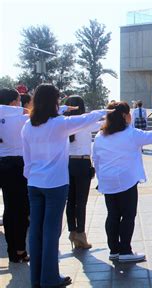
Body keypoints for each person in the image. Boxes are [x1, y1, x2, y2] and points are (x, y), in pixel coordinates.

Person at [21, 83, 107, 287]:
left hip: (34, 183)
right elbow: (86, 119)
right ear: (53, 101)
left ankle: (36, 277)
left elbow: (27, 158)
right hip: (55, 184)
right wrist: (104, 111)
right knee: (51, 230)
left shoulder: (28, 125)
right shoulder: (58, 124)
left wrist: (31, 176)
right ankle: (50, 278)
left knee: (36, 230)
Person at [92, 102, 152, 263]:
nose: (131, 116)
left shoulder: (101, 136)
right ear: (123, 116)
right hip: (126, 181)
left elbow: (96, 159)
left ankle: (114, 250)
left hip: (108, 182)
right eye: (129, 113)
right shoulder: (131, 134)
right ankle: (125, 250)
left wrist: (101, 179)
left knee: (112, 215)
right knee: (128, 215)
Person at [64, 96, 102, 250]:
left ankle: (72, 232)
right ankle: (81, 233)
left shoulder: (64, 124)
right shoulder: (85, 123)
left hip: (67, 164)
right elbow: (103, 123)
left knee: (70, 201)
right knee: (81, 201)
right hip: (82, 163)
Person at [0, 88, 30, 263]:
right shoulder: (21, 117)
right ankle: (20, 249)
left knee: (10, 209)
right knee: (21, 210)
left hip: (2, 163)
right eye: (18, 100)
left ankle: (14, 251)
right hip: (17, 165)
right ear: (12, 102)